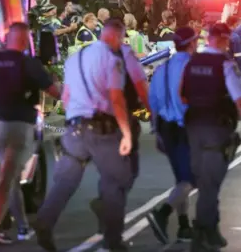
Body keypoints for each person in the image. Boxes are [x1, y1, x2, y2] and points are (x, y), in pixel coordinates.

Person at [35, 19, 134, 252]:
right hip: (100, 127)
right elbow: (117, 98)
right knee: (116, 180)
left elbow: (66, 95)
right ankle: (112, 240)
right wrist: (126, 132)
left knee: (66, 180)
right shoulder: (113, 60)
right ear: (117, 37)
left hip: (74, 127)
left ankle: (45, 220)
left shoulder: (74, 59)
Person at [180, 23, 241, 251]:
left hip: (193, 128)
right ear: (224, 39)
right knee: (210, 185)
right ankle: (201, 233)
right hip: (216, 129)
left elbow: (182, 94)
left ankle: (211, 230)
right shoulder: (225, 64)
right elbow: (240, 101)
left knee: (204, 181)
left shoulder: (192, 61)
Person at [0, 22, 62, 244]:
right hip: (19, 127)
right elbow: (53, 90)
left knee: (8, 176)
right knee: (10, 178)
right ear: (25, 40)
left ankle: (16, 225)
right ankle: (1, 226)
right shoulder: (28, 63)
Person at [89, 19, 150, 235]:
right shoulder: (125, 54)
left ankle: (106, 213)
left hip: (94, 121)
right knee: (128, 172)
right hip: (121, 120)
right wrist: (151, 111)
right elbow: (140, 85)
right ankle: (113, 229)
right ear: (121, 35)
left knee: (107, 173)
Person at [146, 27, 199, 244]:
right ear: (192, 43)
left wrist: (156, 131)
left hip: (167, 128)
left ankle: (185, 226)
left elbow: (154, 103)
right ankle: (162, 213)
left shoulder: (162, 69)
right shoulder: (195, 68)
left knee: (181, 178)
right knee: (191, 178)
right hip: (187, 128)